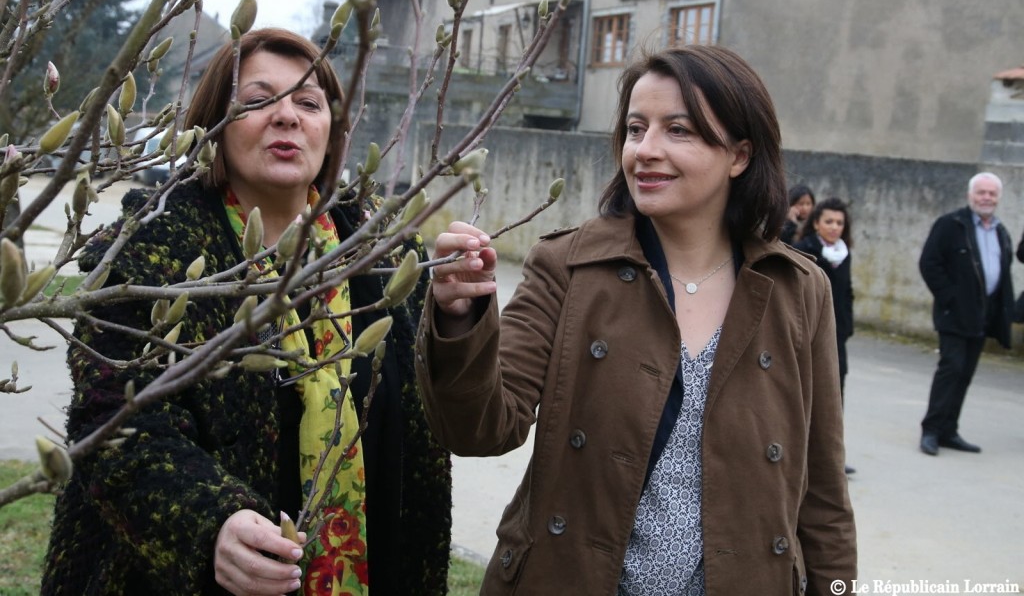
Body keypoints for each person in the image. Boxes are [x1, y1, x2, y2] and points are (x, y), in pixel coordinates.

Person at [416, 45, 856, 594]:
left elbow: (822, 490)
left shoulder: (799, 289)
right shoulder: (570, 266)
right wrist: (461, 320)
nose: (645, 151)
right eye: (635, 128)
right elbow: (481, 429)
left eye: (678, 131)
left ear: (739, 155)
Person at [41, 29, 452, 595]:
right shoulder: (153, 251)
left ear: (332, 132)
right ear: (214, 123)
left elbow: (432, 414)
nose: (287, 117)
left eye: (308, 103)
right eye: (257, 101)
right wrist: (211, 524)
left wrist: (458, 316)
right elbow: (115, 423)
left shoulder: (384, 252)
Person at [918, 171, 1014, 456]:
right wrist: (951, 298)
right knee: (951, 370)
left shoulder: (1000, 230)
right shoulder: (951, 224)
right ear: (970, 195)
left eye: (991, 194)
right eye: (981, 192)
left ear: (998, 198)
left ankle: (949, 430)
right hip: (954, 316)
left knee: (966, 373)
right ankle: (931, 430)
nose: (986, 198)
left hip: (983, 316)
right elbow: (929, 263)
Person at [795, 197, 856, 475]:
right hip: (809, 332)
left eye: (839, 223)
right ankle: (803, 457)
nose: (834, 227)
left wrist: (847, 326)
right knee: (806, 392)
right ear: (816, 223)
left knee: (833, 394)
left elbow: (847, 293)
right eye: (829, 221)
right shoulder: (804, 251)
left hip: (837, 334)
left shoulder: (844, 254)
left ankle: (830, 459)